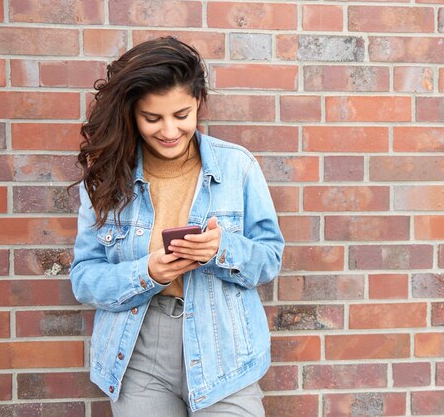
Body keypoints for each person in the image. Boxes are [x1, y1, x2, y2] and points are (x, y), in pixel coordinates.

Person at [69, 36, 284, 416]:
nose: (169, 130)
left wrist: (221, 250)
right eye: (153, 118)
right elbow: (85, 278)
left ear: (199, 103)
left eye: (181, 115)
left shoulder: (239, 167)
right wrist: (146, 272)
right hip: (139, 350)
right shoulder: (106, 178)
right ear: (132, 113)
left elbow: (268, 260)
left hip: (225, 349)